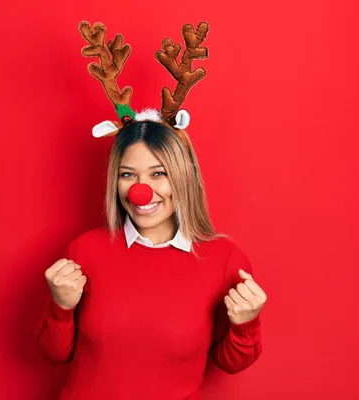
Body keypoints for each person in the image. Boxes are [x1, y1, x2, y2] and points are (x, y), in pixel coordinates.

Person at [35, 21, 267, 400]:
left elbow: (230, 362)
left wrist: (246, 325)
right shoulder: (84, 251)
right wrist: (61, 307)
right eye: (128, 174)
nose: (141, 190)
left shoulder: (225, 259)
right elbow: (52, 354)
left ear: (183, 177)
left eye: (158, 173)